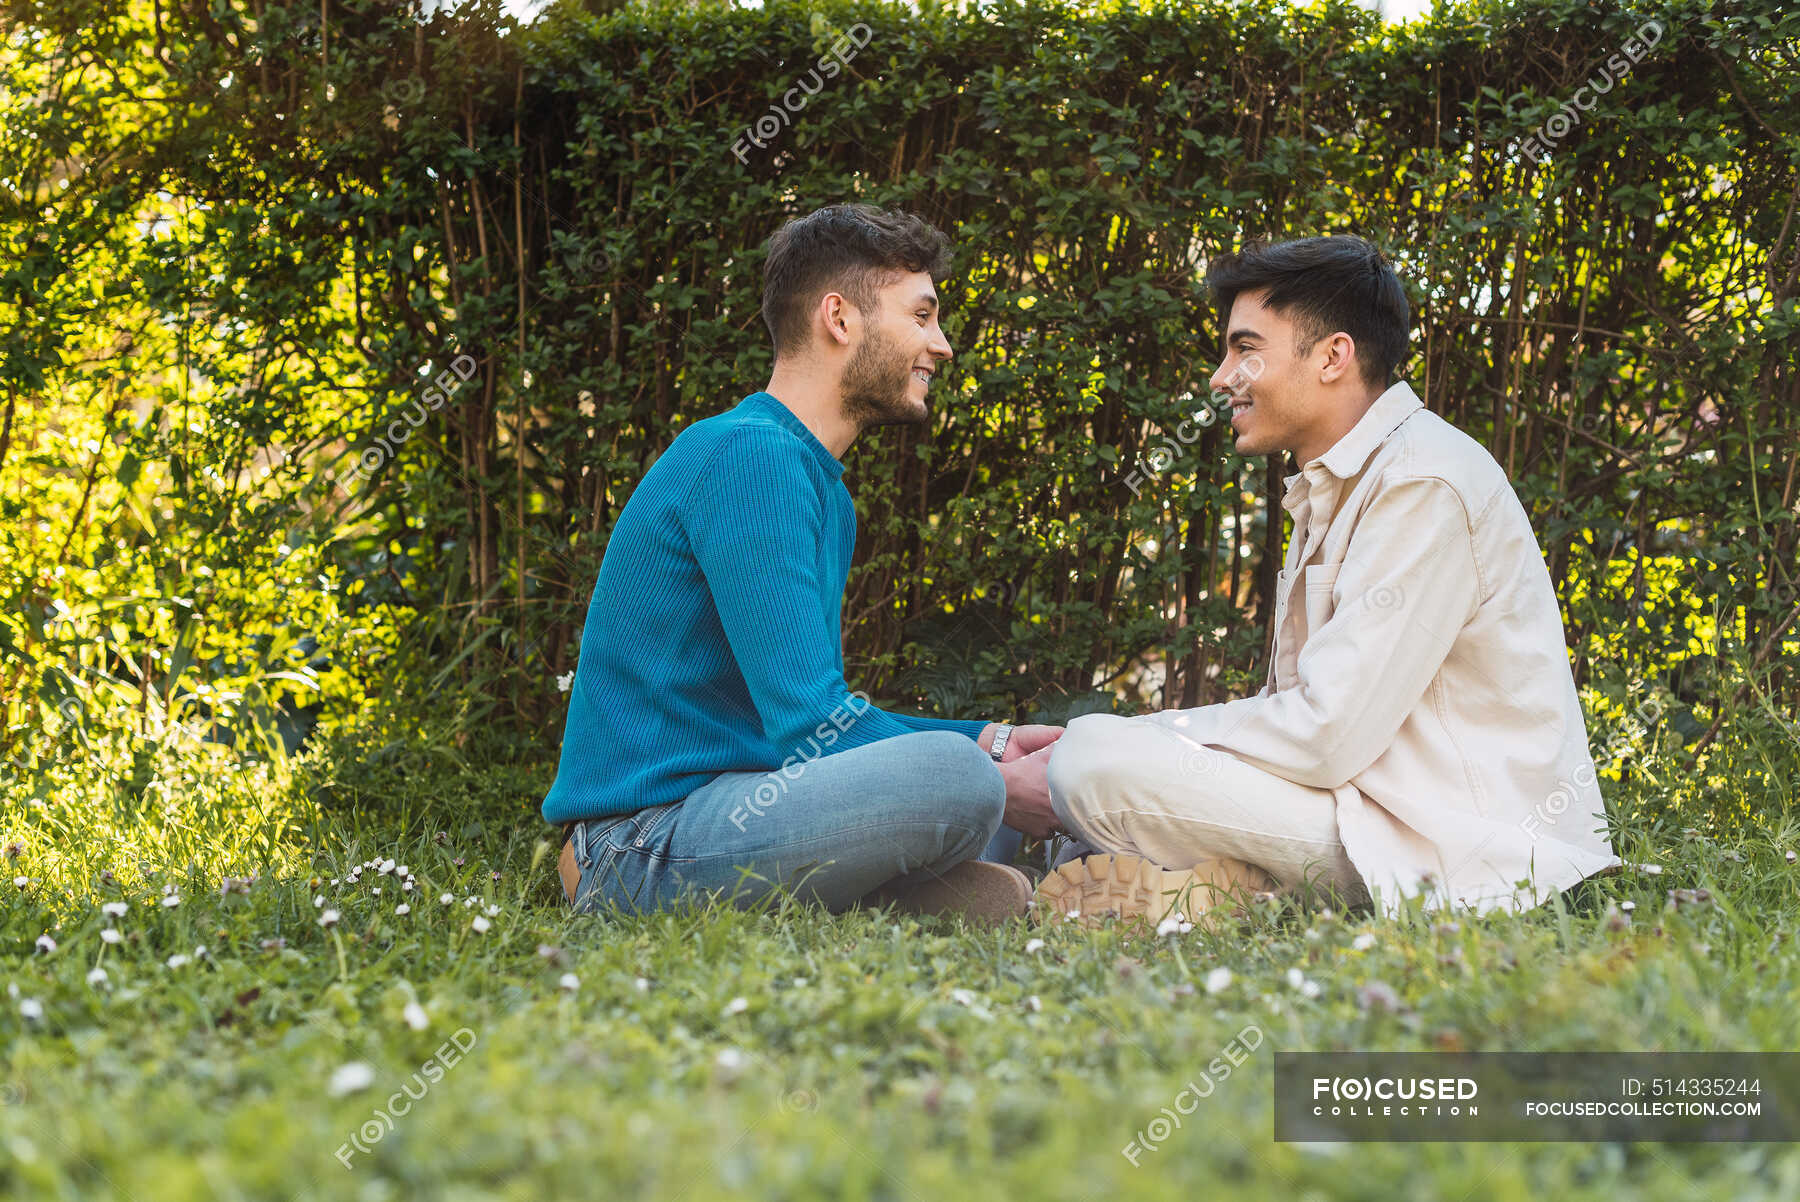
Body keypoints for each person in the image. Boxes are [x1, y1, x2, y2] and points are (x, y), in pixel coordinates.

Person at [1039, 235, 1622, 923]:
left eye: (1244, 349)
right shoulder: (1342, 481)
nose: (1220, 377)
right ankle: (1221, 889)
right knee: (1088, 766)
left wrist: (1148, 733)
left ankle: (1237, 887)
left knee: (1092, 764)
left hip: (1467, 847)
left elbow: (1322, 736)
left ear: (1333, 357)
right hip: (1364, 812)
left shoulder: (1423, 481)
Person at [543, 203, 1060, 923]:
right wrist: (993, 775)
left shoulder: (817, 486)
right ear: (840, 319)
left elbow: (818, 722)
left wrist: (994, 740)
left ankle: (895, 901)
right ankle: (898, 900)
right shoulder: (750, 457)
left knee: (981, 767)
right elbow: (811, 724)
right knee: (963, 783)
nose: (941, 346)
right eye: (922, 316)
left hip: (732, 815)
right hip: (638, 847)